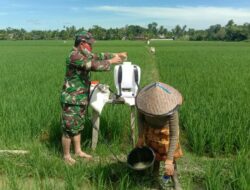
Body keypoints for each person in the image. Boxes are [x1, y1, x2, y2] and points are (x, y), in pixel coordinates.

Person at [60, 31, 127, 165]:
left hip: (80, 98)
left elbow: (97, 56)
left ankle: (78, 151)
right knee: (68, 128)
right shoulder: (74, 56)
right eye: (90, 44)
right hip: (71, 99)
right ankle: (66, 156)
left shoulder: (84, 54)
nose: (91, 47)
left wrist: (114, 54)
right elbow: (93, 65)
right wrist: (111, 61)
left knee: (78, 126)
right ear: (82, 44)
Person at [136, 82, 183, 188]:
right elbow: (140, 118)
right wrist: (140, 136)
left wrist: (170, 159)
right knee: (154, 155)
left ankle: (175, 180)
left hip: (166, 132)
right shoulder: (143, 103)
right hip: (151, 131)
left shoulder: (172, 109)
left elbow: (174, 135)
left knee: (171, 161)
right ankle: (155, 176)